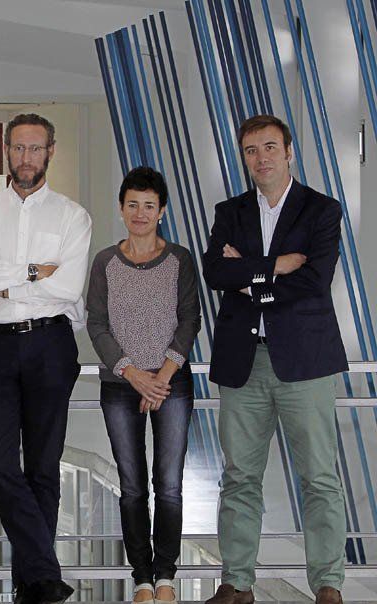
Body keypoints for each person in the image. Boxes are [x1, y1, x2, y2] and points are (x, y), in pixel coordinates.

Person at [202, 114, 348, 604]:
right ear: (244, 158)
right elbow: (216, 274)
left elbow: (314, 281)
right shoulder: (230, 211)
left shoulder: (321, 210)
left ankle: (327, 584)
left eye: (269, 147)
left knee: (319, 478)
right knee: (239, 478)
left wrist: (250, 279)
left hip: (305, 364)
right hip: (243, 364)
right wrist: (276, 266)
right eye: (251, 150)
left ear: (288, 152)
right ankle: (237, 583)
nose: (261, 158)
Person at [0, 113, 91, 604]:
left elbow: (68, 287)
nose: (26, 157)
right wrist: (34, 272)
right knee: (0, 465)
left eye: (35, 148)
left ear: (50, 151)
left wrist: (2, 277)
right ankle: (44, 574)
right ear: (5, 151)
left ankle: (33, 585)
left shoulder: (73, 216)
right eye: (18, 148)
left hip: (50, 345)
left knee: (43, 468)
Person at [86, 167, 201, 604]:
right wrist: (134, 374)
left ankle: (166, 574)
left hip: (172, 384)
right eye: (132, 204)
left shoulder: (179, 260)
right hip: (121, 385)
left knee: (168, 483)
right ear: (121, 209)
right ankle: (142, 579)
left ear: (162, 211)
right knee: (132, 484)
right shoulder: (105, 262)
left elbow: (189, 319)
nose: (140, 213)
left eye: (148, 206)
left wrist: (161, 378)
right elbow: (97, 325)